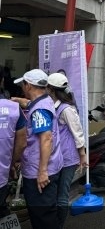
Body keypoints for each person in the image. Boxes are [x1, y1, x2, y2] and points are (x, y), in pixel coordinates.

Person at [13, 69, 63, 229]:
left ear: (28, 86)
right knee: (47, 214)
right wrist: (16, 101)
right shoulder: (45, 100)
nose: (22, 87)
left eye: (23, 84)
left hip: (39, 173)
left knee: (43, 218)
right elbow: (31, 104)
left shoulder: (39, 110)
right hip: (52, 167)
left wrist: (42, 172)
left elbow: (46, 138)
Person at [47, 72, 87, 229]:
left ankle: (58, 225)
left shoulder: (66, 109)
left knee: (62, 195)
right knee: (56, 194)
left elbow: (78, 133)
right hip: (56, 157)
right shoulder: (53, 106)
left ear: (51, 89)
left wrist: (82, 156)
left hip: (68, 158)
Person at [0, 92, 26, 217]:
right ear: (2, 81)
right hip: (2, 174)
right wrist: (11, 164)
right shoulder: (14, 108)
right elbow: (21, 143)